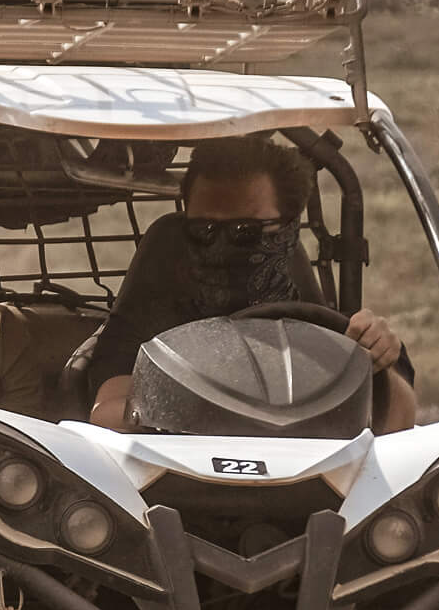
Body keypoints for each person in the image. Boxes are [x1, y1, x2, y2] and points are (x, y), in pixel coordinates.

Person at [87, 135, 418, 433]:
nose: (221, 246)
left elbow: (400, 424)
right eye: (204, 230)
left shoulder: (335, 332)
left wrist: (377, 361)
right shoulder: (155, 320)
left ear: (287, 230)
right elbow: (107, 412)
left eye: (245, 231)